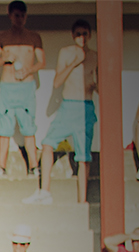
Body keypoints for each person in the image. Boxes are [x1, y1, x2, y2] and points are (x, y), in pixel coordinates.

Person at [32, 20, 96, 206]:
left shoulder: (95, 56)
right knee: (47, 144)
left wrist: (95, 83)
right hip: (68, 106)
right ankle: (45, 191)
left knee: (84, 156)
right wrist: (75, 62)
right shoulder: (66, 52)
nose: (81, 37)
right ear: (72, 35)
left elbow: (100, 85)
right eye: (78, 34)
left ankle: (82, 200)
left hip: (86, 106)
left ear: (90, 35)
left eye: (85, 33)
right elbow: (57, 81)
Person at [0, 0, 44, 179]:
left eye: (21, 15)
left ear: (26, 17)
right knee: (4, 127)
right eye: (15, 15)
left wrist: (29, 69)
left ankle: (34, 167)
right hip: (7, 87)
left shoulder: (34, 37)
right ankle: (1, 167)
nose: (19, 19)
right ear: (10, 16)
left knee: (29, 127)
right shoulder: (1, 37)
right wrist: (5, 58)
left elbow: (41, 62)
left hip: (26, 87)